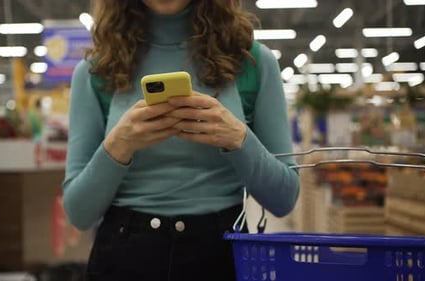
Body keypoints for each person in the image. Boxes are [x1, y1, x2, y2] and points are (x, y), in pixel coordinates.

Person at [62, 0, 300, 280]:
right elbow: (78, 212)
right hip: (125, 256)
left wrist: (239, 139)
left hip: (220, 255)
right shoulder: (96, 71)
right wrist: (117, 146)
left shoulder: (252, 62)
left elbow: (284, 198)